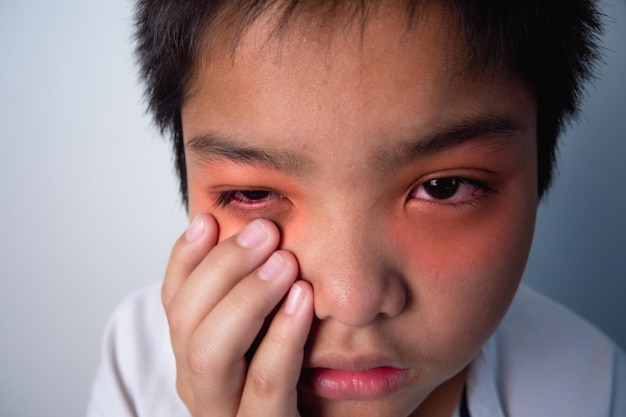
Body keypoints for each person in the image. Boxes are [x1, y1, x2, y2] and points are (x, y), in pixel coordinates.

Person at [87, 0, 626, 416]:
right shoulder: (138, 363)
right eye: (252, 195)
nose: (350, 301)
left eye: (442, 187)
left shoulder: (593, 386)